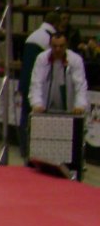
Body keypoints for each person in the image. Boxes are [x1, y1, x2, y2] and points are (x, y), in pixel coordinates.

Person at [20, 9, 70, 155]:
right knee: (38, 118)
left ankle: (24, 148)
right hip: (40, 83)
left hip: (25, 80)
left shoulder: (32, 36)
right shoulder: (49, 39)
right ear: (56, 24)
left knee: (25, 115)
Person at [29, 31, 89, 115]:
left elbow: (80, 85)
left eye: (61, 46)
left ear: (66, 45)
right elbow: (36, 83)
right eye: (55, 46)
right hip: (46, 102)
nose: (58, 49)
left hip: (68, 102)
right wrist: (37, 103)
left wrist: (80, 105)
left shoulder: (75, 60)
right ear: (50, 45)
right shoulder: (41, 59)